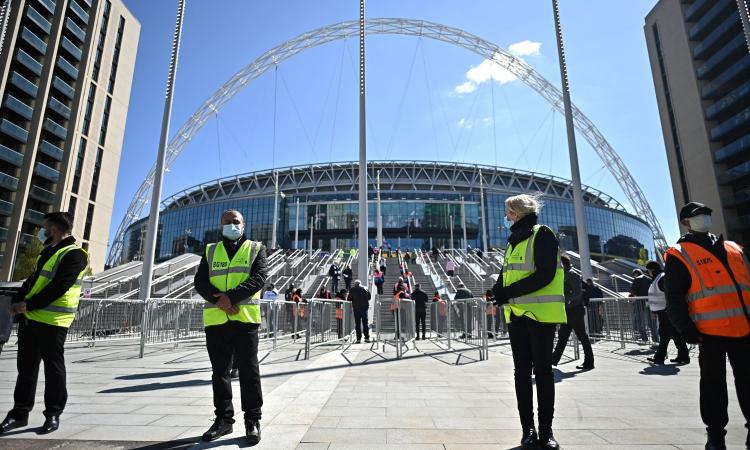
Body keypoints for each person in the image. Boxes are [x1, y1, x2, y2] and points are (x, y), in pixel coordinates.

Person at [664, 202, 750, 450]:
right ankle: (715, 435)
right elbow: (675, 296)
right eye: (697, 215)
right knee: (713, 384)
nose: (704, 218)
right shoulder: (680, 253)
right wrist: (685, 328)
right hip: (709, 332)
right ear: (685, 222)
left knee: (748, 380)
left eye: (707, 214)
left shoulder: (734, 248)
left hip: (744, 328)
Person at [0, 212, 88, 435]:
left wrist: (28, 305)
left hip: (53, 320)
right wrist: (18, 301)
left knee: (53, 368)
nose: (42, 232)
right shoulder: (47, 253)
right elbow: (32, 280)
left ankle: (53, 414)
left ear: (56, 229)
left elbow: (60, 286)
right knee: (26, 369)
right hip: (31, 319)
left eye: (45, 227)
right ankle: (19, 413)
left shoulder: (76, 254)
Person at [492, 194, 566, 449]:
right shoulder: (513, 241)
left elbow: (544, 275)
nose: (506, 217)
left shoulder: (542, 234)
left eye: (508, 212)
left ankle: (546, 433)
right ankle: (528, 431)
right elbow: (508, 274)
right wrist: (498, 289)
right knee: (521, 373)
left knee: (543, 372)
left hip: (540, 315)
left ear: (517, 212)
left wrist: (508, 292)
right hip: (516, 315)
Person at [193, 209, 266, 444]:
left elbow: (259, 278)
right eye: (227, 222)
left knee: (249, 371)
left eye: (236, 222)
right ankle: (223, 420)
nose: (232, 225)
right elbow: (200, 281)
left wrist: (230, 298)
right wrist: (218, 301)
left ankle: (252, 420)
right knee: (220, 373)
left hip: (245, 319)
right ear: (220, 225)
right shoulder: (211, 250)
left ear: (243, 225)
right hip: (216, 320)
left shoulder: (256, 248)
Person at [551, 255, 594, 370]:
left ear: (562, 263)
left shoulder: (572, 274)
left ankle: (589, 362)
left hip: (574, 310)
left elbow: (577, 293)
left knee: (581, 336)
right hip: (569, 310)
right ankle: (553, 360)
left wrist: (564, 300)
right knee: (563, 336)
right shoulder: (565, 274)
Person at [645, 260, 689, 365]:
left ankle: (659, 357)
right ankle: (683, 356)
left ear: (652, 270)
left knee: (664, 335)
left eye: (648, 271)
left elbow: (671, 294)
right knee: (675, 334)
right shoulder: (658, 278)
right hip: (665, 311)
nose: (647, 273)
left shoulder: (661, 277)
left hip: (666, 311)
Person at [629, 269, 652, 342]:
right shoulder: (649, 279)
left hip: (640, 303)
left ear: (635, 274)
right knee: (651, 321)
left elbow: (632, 292)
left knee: (640, 321)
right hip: (650, 302)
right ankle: (655, 339)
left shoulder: (637, 280)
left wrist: (632, 298)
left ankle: (644, 338)